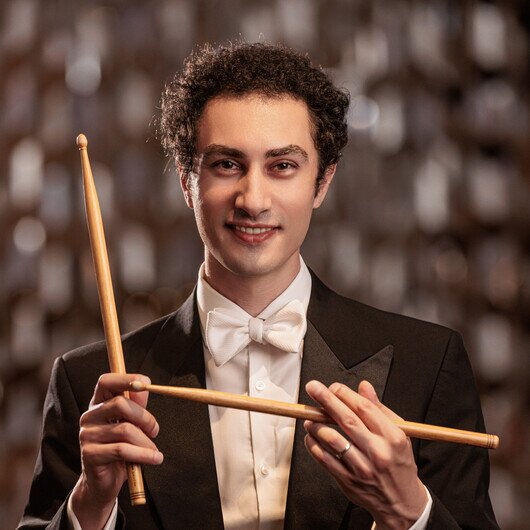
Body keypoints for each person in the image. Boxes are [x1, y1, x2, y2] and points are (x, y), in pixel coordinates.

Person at [19, 42, 498, 530]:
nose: (253, 200)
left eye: (282, 166)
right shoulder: (89, 383)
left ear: (322, 182)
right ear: (186, 182)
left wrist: (410, 513)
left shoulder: (427, 365)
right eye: (227, 165)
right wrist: (90, 504)